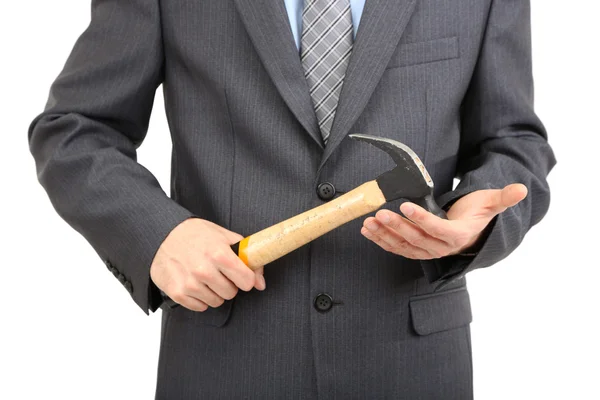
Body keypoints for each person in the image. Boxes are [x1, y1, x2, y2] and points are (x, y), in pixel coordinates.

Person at [28, 0, 556, 398]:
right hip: (224, 363)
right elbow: (75, 129)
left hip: (412, 365)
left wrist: (476, 222)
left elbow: (514, 141)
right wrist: (158, 233)